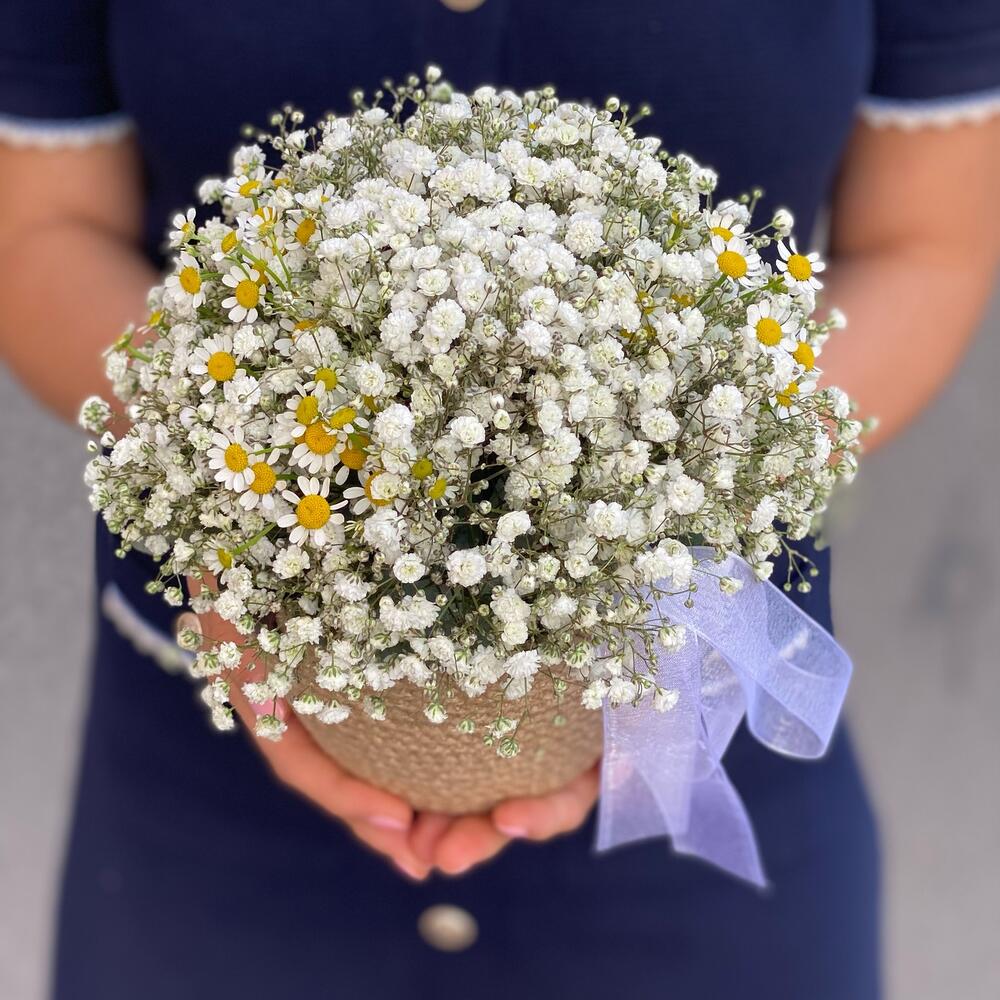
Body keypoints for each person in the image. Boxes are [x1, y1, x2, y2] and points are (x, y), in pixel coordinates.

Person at [1, 2, 998, 997]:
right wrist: (245, 517)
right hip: (212, 790)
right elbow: (41, 230)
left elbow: (923, 244)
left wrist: (683, 511)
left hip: (696, 742)